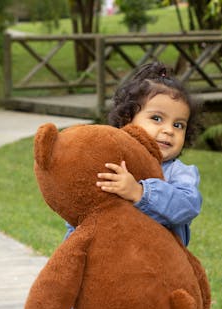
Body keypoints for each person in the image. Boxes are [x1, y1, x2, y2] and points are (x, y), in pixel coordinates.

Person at [64, 61, 202, 247]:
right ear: (128, 119)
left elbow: (188, 206)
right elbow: (83, 211)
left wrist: (141, 192)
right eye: (157, 118)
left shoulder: (179, 173)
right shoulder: (111, 162)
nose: (169, 130)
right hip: (110, 261)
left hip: (158, 267)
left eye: (178, 125)